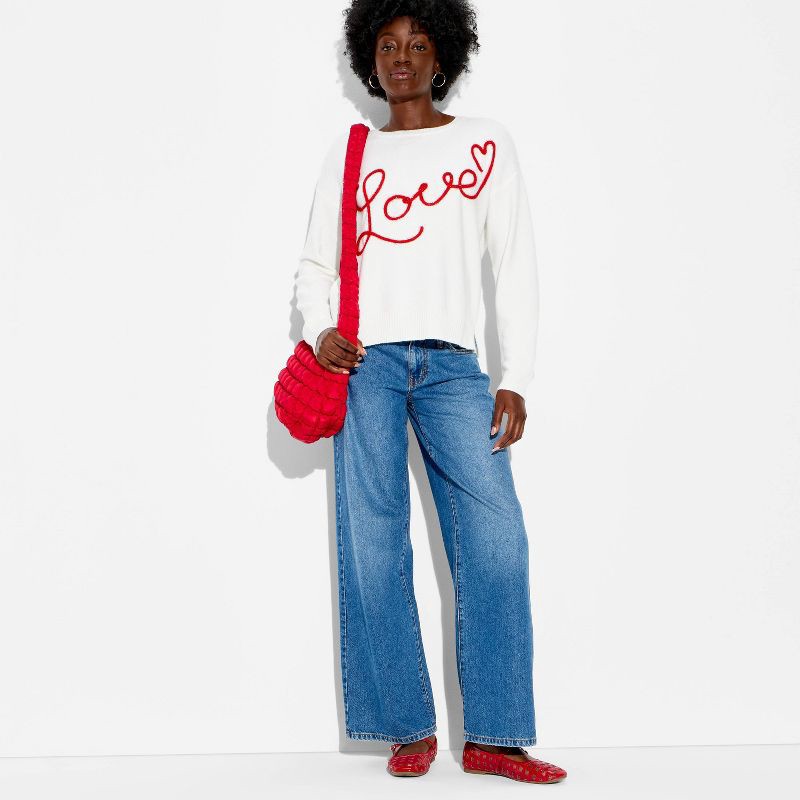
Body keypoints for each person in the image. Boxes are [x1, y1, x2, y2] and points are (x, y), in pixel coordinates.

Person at [294, 0, 567, 784]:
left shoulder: (485, 143)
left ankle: (496, 737)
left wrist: (513, 378)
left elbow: (514, 264)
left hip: (454, 369)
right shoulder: (351, 155)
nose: (402, 57)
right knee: (375, 542)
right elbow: (315, 267)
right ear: (369, 59)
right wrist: (321, 330)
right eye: (387, 45)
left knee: (497, 540)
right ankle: (405, 727)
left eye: (417, 44)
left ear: (442, 55)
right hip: (367, 367)